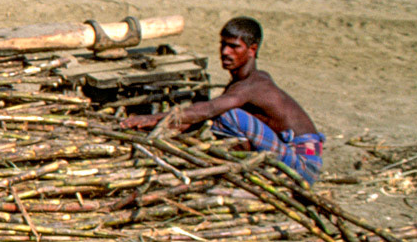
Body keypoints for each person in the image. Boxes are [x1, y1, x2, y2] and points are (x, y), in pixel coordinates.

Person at [120, 16, 325, 182]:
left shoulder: (253, 85)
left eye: (234, 47)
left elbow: (209, 110)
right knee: (221, 117)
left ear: (252, 50)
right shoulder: (240, 84)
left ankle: (243, 176)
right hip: (290, 155)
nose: (225, 52)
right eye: (223, 45)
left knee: (228, 115)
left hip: (302, 165)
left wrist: (152, 119)